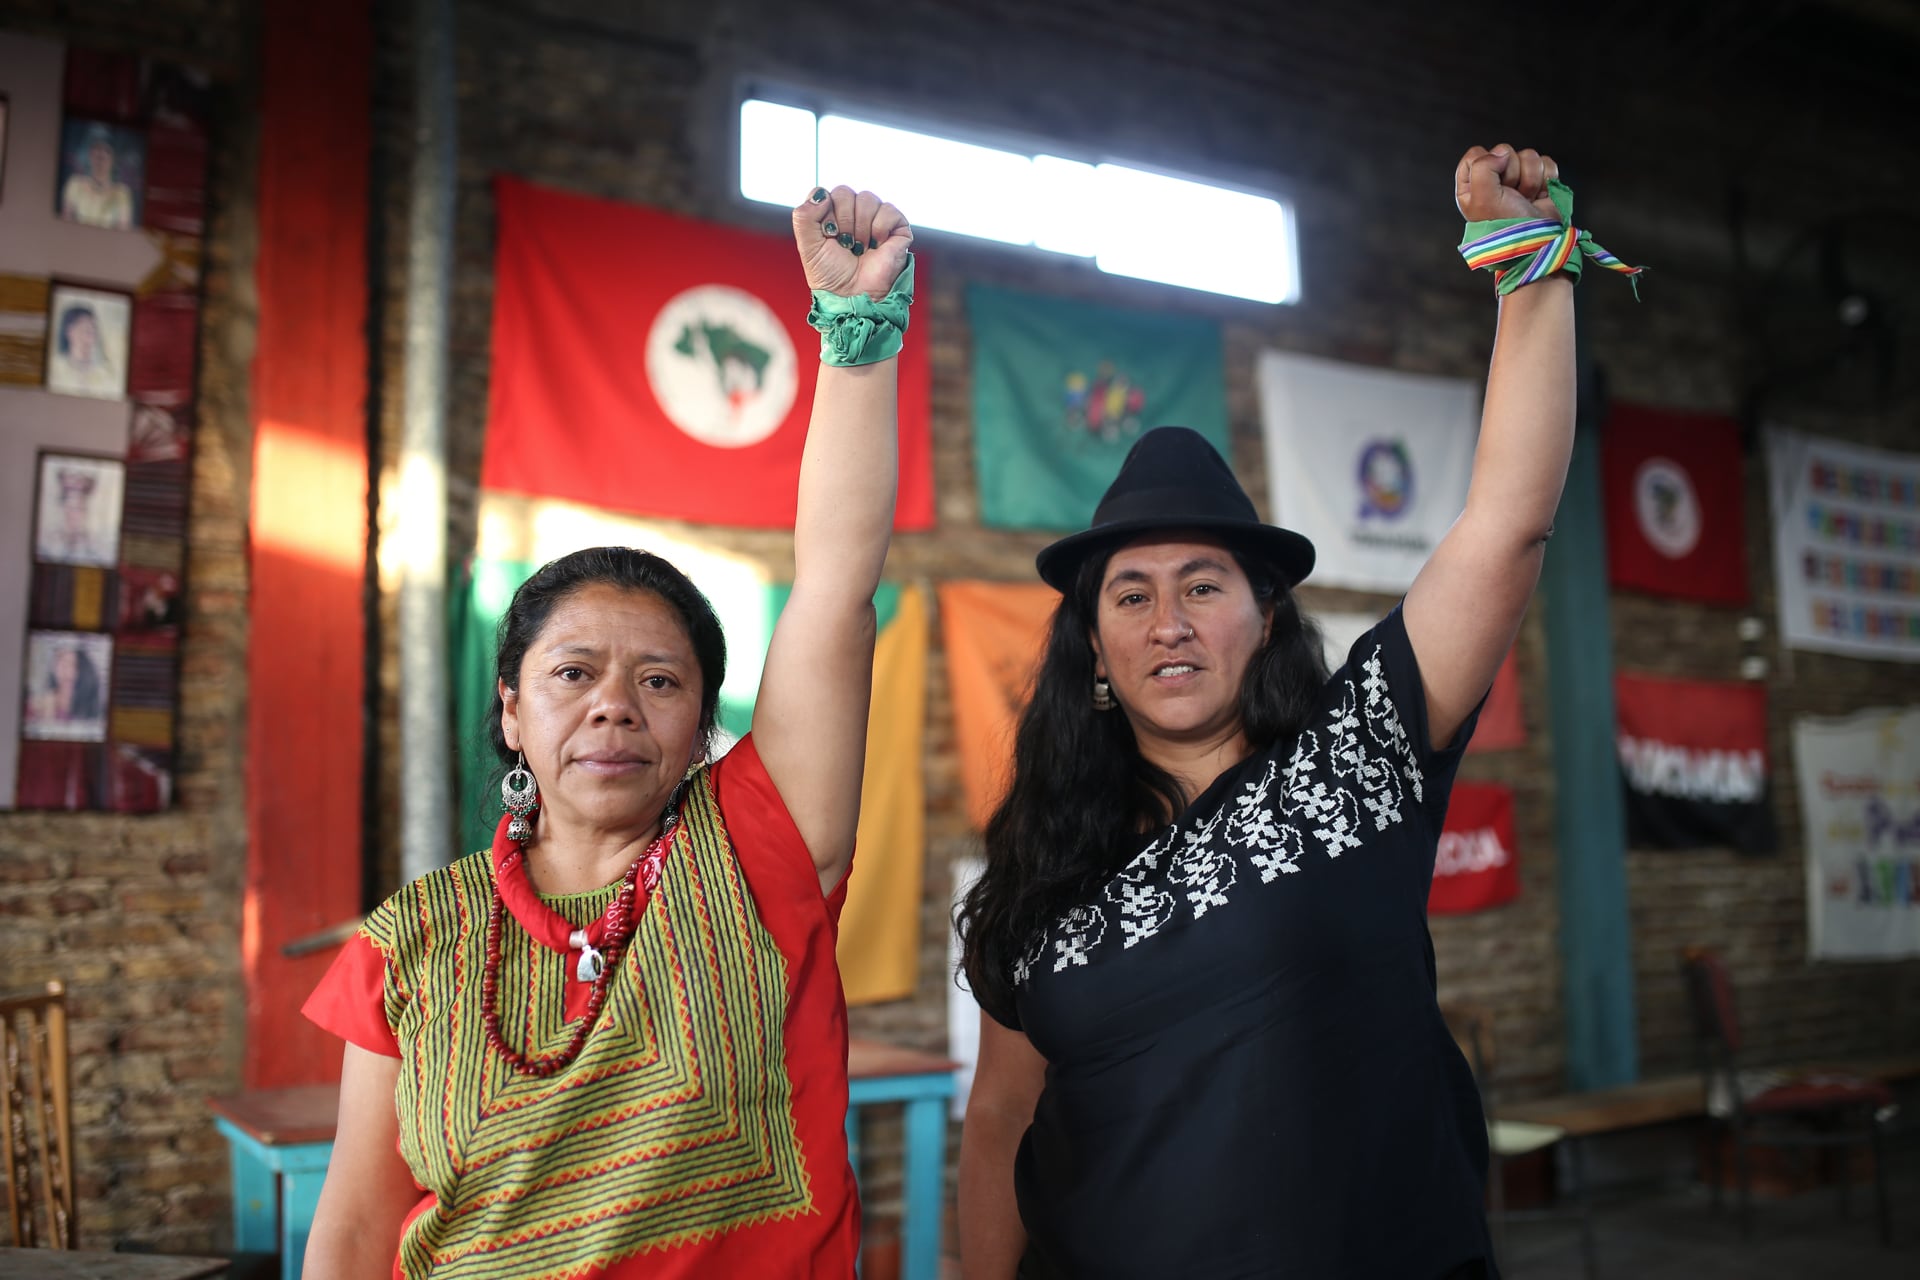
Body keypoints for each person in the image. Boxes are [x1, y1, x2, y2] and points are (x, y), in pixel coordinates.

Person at [957, 144, 1618, 1279]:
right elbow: (1003, 1124)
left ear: (1263, 620)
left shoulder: (1357, 757)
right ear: (1096, 648)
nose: (1169, 619)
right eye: (1132, 593)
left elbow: (1507, 520)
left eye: (1203, 584)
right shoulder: (1044, 866)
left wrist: (1528, 266)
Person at [301, 182, 916, 1279]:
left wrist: (857, 339)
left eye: (661, 680)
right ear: (511, 711)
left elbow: (833, 587)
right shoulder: (411, 938)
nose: (614, 704)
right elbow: (351, 1234)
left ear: (701, 725)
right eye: (573, 672)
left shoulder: (760, 857)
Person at [59, 123, 135, 229]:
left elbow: (123, 231)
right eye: (97, 149)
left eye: (107, 151)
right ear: (90, 154)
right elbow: (65, 223)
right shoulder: (75, 184)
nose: (101, 155)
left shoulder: (122, 193)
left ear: (114, 158)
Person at [27, 641, 104, 733]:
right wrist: (47, 717)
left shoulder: (95, 714)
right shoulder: (36, 707)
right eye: (60, 661)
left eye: (73, 664)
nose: (66, 670)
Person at [49, 304, 122, 399]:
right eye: (85, 331)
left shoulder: (104, 375)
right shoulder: (56, 369)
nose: (90, 339)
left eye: (93, 331)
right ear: (69, 332)